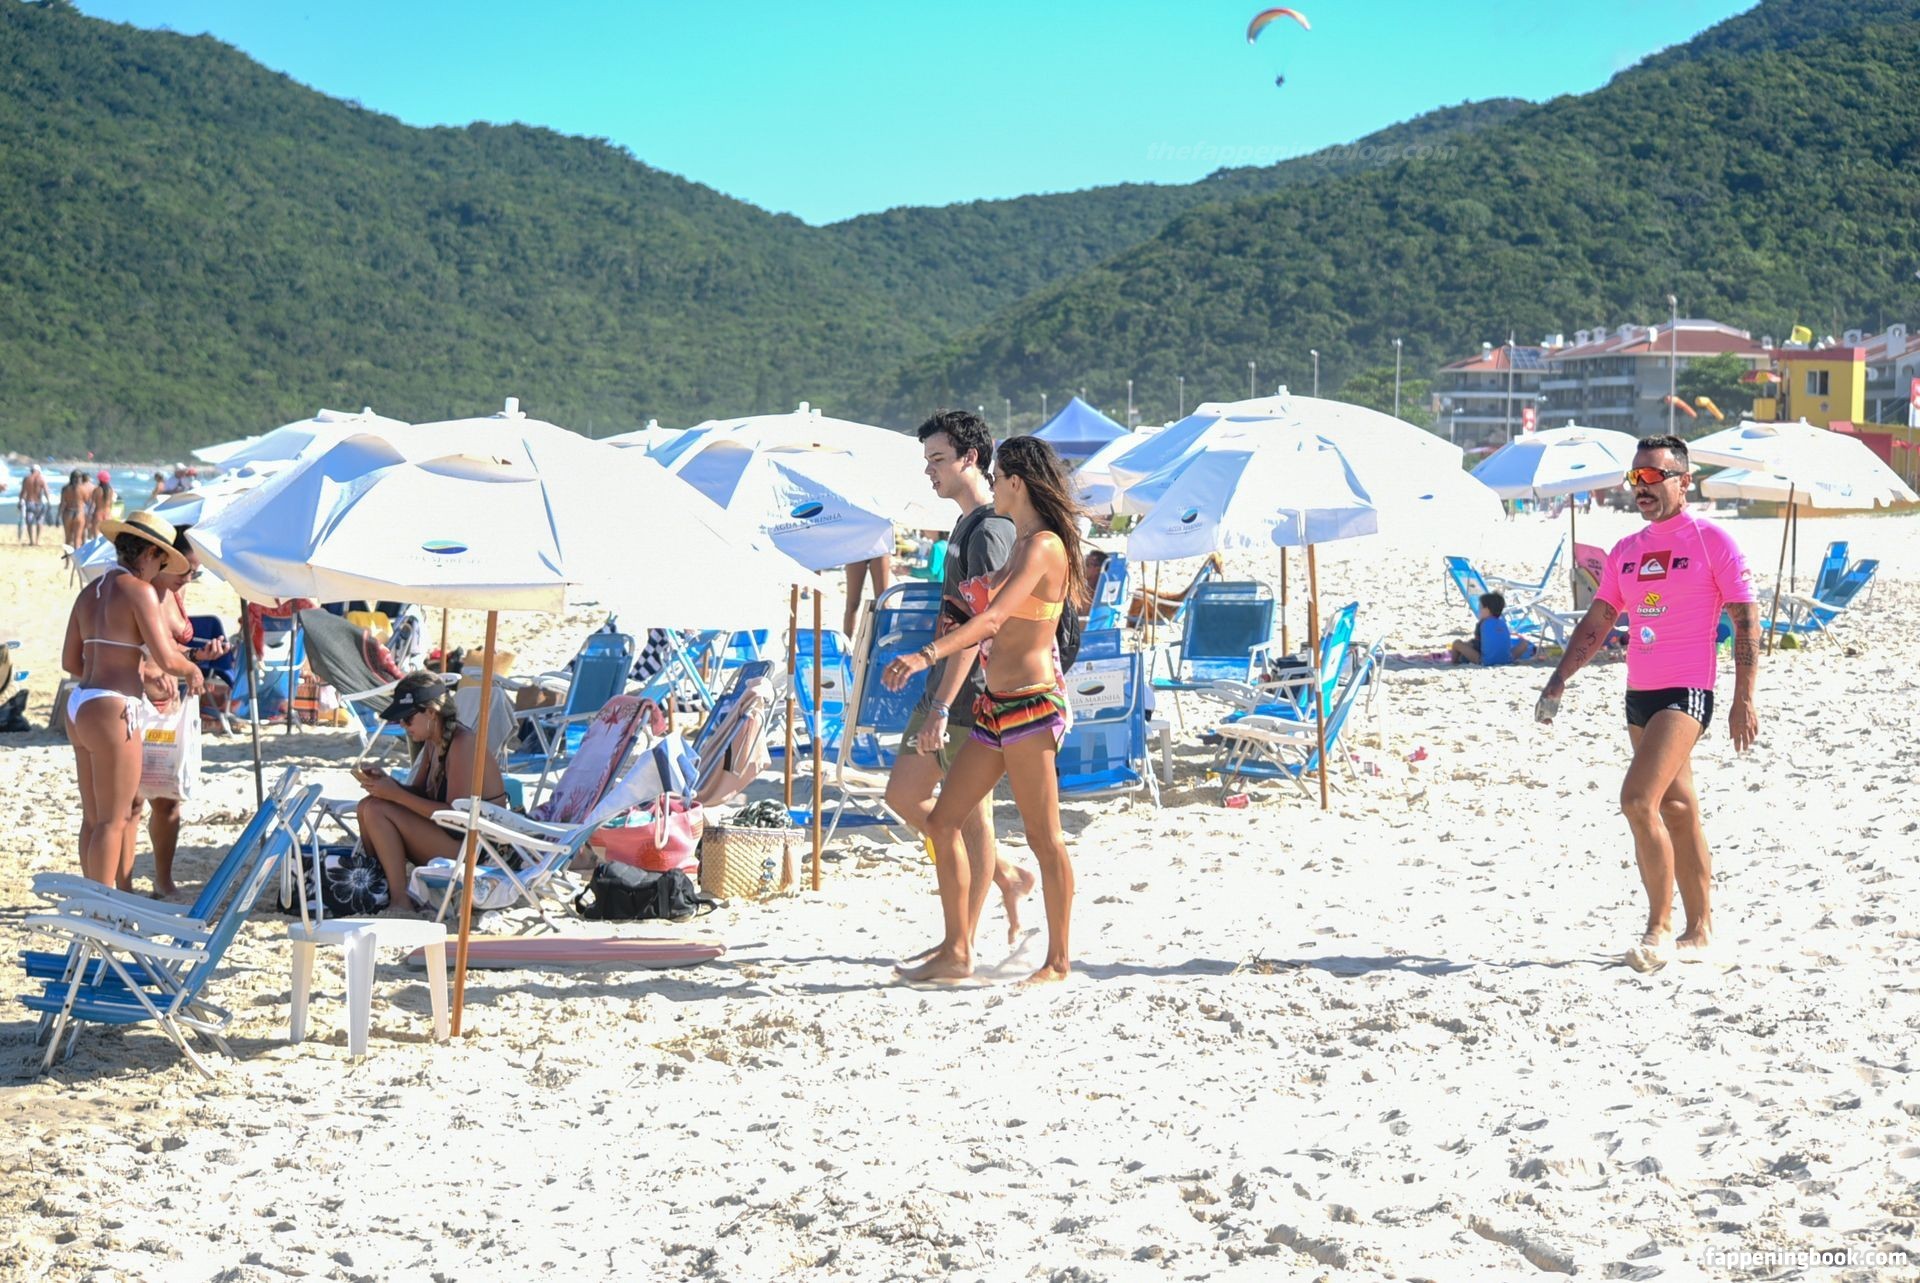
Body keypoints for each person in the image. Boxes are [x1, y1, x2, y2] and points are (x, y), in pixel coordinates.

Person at [1536, 436, 1758, 971]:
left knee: (1638, 800)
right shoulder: (1626, 551)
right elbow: (1599, 619)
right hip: (1639, 694)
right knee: (1677, 808)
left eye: (1654, 476)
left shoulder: (1712, 541)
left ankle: (1657, 929)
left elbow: (1746, 620)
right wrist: (1561, 676)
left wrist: (1743, 699)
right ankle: (1700, 932)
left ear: (1684, 481)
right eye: (1636, 477)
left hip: (1687, 692)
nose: (1642, 487)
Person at [883, 435, 1085, 985]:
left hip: (1032, 707)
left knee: (1045, 839)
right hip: (995, 707)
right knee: (943, 820)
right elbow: (981, 602)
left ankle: (1058, 962)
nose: (992, 486)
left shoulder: (1044, 546)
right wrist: (960, 598)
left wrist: (925, 655)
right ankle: (956, 951)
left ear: (1016, 482)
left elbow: (993, 620)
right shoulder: (1021, 544)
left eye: (996, 479)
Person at [881, 410, 1035, 953]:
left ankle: (962, 943)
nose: (930, 470)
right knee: (904, 795)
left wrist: (943, 706)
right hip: (944, 688)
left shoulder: (991, 530)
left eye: (939, 459)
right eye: (928, 460)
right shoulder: (968, 524)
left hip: (971, 697)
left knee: (973, 819)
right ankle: (1007, 874)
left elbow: (981, 625)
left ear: (971, 458)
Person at [60, 510, 203, 887]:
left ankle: (91, 900)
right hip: (113, 706)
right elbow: (167, 658)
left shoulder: (89, 592)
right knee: (114, 820)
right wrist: (192, 670)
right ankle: (102, 909)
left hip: (80, 705)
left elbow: (70, 662)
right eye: (161, 561)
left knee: (93, 819)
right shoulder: (139, 591)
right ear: (150, 553)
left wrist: (109, 667)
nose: (160, 570)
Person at [123, 527, 231, 895]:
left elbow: (167, 646)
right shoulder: (140, 591)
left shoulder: (173, 592)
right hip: (138, 700)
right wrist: (149, 674)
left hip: (168, 702)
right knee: (132, 801)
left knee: (168, 798)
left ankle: (163, 879)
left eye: (195, 573)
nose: (189, 578)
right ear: (165, 559)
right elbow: (123, 647)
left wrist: (196, 656)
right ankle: (123, 885)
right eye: (185, 569)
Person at [352, 672, 509, 916]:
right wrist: (387, 784)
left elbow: (455, 817)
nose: (403, 725)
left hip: (475, 849)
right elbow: (419, 793)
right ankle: (379, 887)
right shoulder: (433, 742)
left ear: (431, 713)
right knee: (367, 805)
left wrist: (395, 795)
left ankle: (400, 900)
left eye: (407, 718)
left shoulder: (462, 743)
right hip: (451, 837)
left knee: (376, 809)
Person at [1449, 591, 1533, 665]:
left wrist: (1468, 645)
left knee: (1457, 643)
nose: (1479, 610)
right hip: (1507, 660)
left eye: (1480, 608)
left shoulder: (1483, 623)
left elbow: (1478, 644)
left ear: (1487, 610)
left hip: (1485, 661)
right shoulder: (1502, 623)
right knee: (1524, 643)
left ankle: (1454, 662)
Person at [843, 553, 894, 641]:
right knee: (852, 604)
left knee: (883, 602)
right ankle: (846, 643)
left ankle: (885, 641)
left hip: (878, 550)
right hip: (855, 550)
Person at [58, 469, 90, 548]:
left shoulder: (65, 488)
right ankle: (76, 556)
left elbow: (62, 503)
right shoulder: (83, 489)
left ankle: (67, 556)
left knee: (68, 538)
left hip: (68, 512)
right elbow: (87, 502)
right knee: (77, 538)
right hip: (79, 513)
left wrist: (58, 516)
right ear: (80, 478)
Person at [19, 465, 49, 545]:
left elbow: (23, 491)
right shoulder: (41, 479)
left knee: (29, 522)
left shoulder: (27, 479)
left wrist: (20, 501)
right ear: (38, 471)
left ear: (31, 470)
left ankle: (31, 541)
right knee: (39, 521)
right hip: (39, 503)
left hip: (29, 502)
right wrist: (49, 501)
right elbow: (46, 491)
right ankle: (37, 540)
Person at [88, 471, 116, 541]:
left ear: (99, 479)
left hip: (98, 514)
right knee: (107, 538)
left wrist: (89, 516)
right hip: (108, 514)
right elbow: (111, 503)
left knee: (96, 538)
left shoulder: (97, 490)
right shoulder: (111, 490)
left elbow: (92, 504)